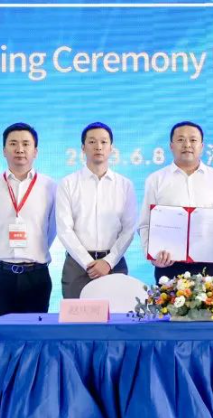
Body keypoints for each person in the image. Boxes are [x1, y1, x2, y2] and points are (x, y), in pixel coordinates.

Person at [139, 121, 213, 282]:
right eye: (181, 140)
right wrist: (152, 256)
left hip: (210, 264)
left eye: (193, 140)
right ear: (171, 146)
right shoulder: (156, 180)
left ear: (202, 146)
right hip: (169, 265)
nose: (187, 145)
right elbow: (145, 224)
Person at [0, 122, 57, 319]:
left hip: (36, 275)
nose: (20, 149)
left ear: (35, 151)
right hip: (0, 275)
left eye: (26, 144)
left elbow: (52, 229)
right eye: (13, 143)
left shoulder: (50, 186)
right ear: (4, 150)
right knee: (0, 335)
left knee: (34, 335)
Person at [56, 122, 137, 298]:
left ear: (111, 148)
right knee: (77, 315)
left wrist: (108, 262)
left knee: (117, 314)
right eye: (92, 142)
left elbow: (129, 229)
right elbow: (64, 229)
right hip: (77, 266)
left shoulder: (125, 185)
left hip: (114, 264)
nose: (98, 147)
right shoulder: (68, 184)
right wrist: (88, 263)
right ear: (83, 148)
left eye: (103, 142)